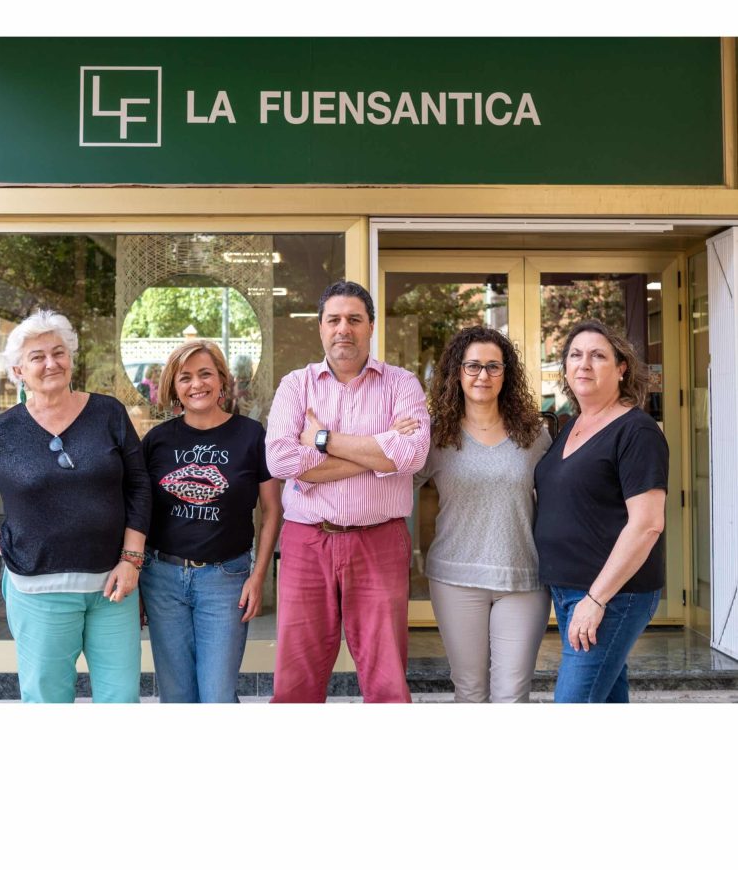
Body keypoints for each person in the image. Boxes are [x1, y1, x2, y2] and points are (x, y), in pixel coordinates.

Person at [0, 309, 151, 703]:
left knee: (121, 699)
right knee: (47, 701)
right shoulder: (2, 431)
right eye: (38, 357)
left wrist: (131, 558)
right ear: (19, 371)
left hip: (113, 584)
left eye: (59, 352)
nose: (51, 363)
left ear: (71, 357)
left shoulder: (108, 413)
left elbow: (138, 485)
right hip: (38, 589)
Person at [265, 280, 430, 703]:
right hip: (307, 542)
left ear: (371, 326)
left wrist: (321, 441)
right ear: (320, 328)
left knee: (386, 676)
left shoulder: (401, 384)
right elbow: (281, 462)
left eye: (354, 319)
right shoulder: (296, 385)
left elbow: (411, 456)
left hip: (379, 541)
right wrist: (378, 449)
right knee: (296, 677)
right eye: (334, 319)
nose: (344, 329)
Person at [533, 319, 668, 703]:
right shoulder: (573, 425)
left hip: (611, 595)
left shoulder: (636, 431)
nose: (584, 364)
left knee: (574, 702)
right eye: (575, 355)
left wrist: (596, 600)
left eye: (597, 356)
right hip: (570, 589)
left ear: (621, 368)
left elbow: (646, 525)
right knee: (607, 699)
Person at [139, 340, 281, 703]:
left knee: (217, 696)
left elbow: (272, 511)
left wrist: (259, 575)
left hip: (226, 580)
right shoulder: (156, 441)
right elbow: (139, 511)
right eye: (185, 377)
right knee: (176, 696)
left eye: (205, 374)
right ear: (173, 387)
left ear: (222, 380)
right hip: (162, 580)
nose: (196, 384)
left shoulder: (251, 435)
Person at [416, 325, 552, 703]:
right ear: (457, 372)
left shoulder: (535, 434)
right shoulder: (436, 435)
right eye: (473, 366)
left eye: (494, 366)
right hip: (455, 578)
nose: (482, 375)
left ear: (506, 374)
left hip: (523, 578)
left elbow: (560, 500)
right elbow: (393, 488)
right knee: (471, 691)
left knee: (512, 695)